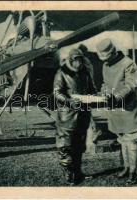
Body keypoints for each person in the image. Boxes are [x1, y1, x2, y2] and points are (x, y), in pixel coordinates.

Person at [96, 39, 137, 185]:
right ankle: (126, 168)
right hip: (116, 110)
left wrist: (116, 96)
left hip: (130, 109)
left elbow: (131, 85)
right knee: (122, 140)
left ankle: (133, 173)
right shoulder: (105, 65)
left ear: (113, 52)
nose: (105, 60)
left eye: (106, 57)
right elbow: (105, 83)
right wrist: (104, 92)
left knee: (131, 141)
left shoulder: (128, 63)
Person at [53, 48, 96, 185]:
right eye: (76, 61)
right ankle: (69, 174)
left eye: (80, 60)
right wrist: (69, 101)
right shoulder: (61, 73)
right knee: (65, 146)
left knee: (79, 146)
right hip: (68, 116)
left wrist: (95, 96)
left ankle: (78, 172)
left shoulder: (85, 73)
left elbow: (91, 89)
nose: (79, 64)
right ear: (71, 60)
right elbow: (57, 92)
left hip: (83, 114)